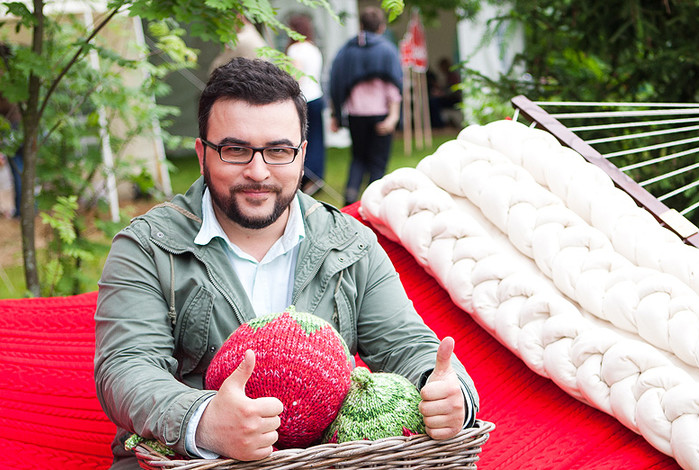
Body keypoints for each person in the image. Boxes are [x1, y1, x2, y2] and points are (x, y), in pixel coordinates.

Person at [94, 57, 478, 469]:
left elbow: (408, 345)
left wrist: (446, 393)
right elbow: (125, 368)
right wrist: (204, 421)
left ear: (302, 154)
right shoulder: (147, 246)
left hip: (322, 462)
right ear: (202, 153)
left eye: (278, 150)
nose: (258, 172)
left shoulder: (350, 243)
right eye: (235, 150)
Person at [328, 6, 402, 206]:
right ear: (381, 27)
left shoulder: (347, 51)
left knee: (358, 157)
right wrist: (393, 117)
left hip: (356, 114)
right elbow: (393, 87)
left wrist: (335, 113)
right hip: (380, 114)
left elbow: (336, 81)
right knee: (378, 161)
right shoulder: (387, 50)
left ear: (361, 25)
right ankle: (373, 202)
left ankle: (350, 198)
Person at [285, 13, 326, 194]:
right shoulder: (313, 48)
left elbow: (296, 76)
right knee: (317, 139)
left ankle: (305, 176)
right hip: (317, 97)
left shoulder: (295, 50)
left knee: (301, 139)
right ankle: (317, 176)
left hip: (303, 99)